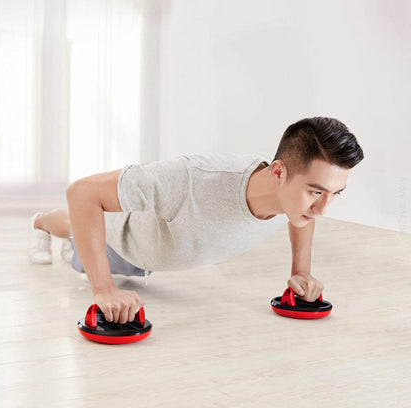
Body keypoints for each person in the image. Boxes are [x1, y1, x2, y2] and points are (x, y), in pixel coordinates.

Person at [29, 117, 364, 325]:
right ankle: (40, 222)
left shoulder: (294, 198)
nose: (323, 209)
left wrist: (300, 271)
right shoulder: (191, 178)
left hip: (163, 252)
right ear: (278, 172)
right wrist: (103, 289)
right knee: (73, 228)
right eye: (316, 192)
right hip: (121, 241)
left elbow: (304, 217)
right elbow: (82, 193)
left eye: (335, 194)